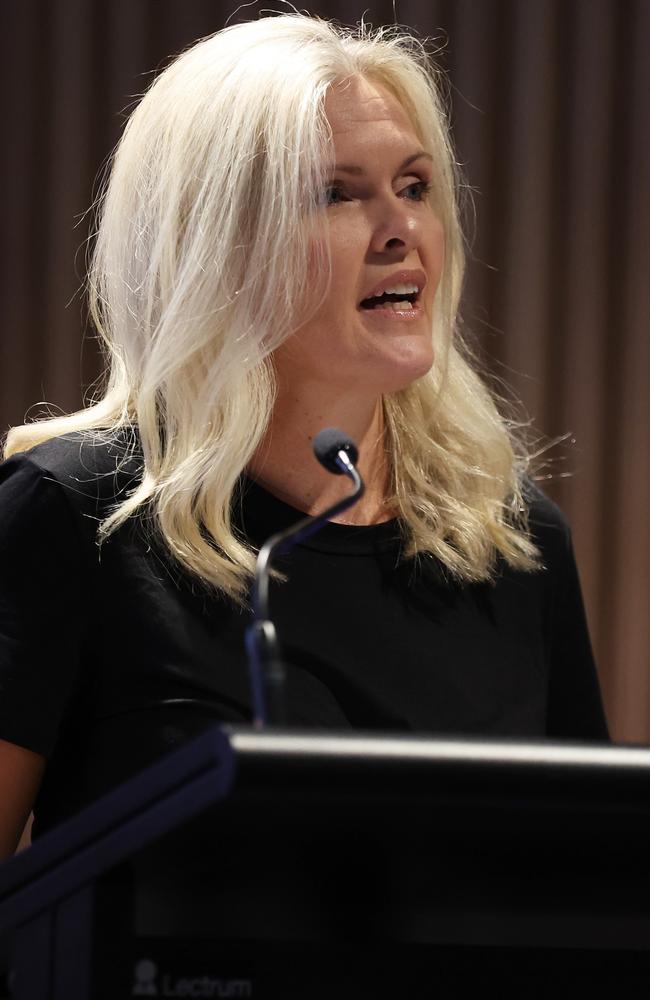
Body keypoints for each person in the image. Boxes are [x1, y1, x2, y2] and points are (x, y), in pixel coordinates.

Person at [0, 12, 609, 859]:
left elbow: (586, 886)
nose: (402, 231)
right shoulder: (72, 516)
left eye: (415, 186)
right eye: (335, 192)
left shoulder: (511, 542)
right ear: (215, 245)